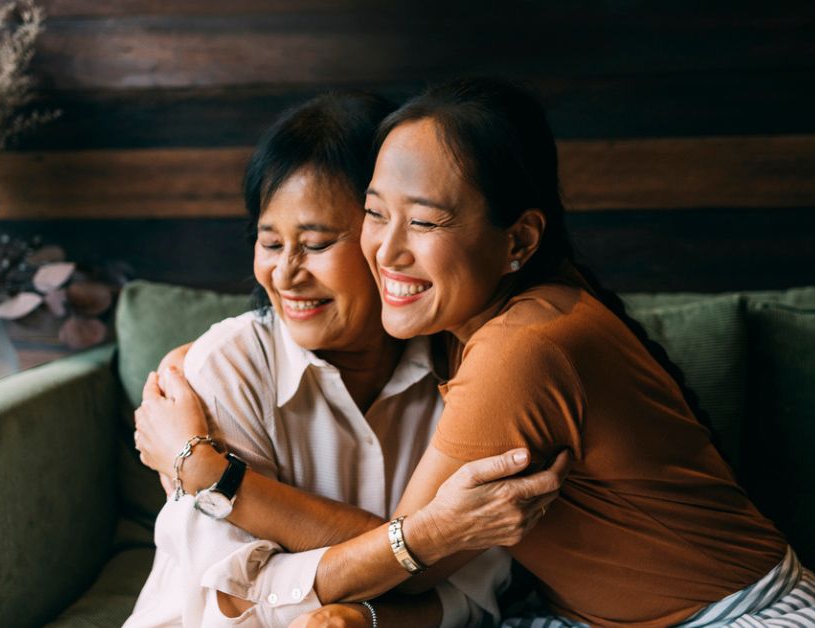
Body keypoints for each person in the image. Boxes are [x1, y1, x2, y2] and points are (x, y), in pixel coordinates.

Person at [142, 78, 815, 627]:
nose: (386, 252)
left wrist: (211, 471)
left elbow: (406, 565)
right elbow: (415, 548)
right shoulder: (477, 330)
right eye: (373, 214)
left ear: (520, 240)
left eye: (423, 222)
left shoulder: (517, 350)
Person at [127, 91, 563, 627]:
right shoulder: (220, 373)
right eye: (269, 243)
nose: (286, 273)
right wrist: (433, 535)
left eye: (316, 243)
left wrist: (362, 619)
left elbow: (473, 589)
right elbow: (241, 592)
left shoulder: (474, 370)